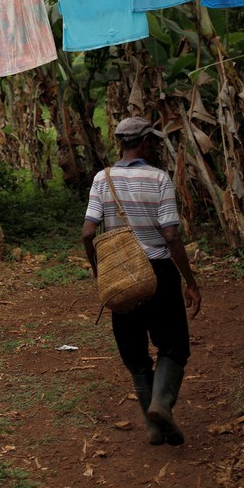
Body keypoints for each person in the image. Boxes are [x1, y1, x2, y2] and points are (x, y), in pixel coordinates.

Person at [81, 116, 202, 446]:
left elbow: (88, 232)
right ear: (145, 143)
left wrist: (100, 272)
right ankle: (161, 405)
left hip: (120, 273)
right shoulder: (159, 178)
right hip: (159, 272)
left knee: (134, 350)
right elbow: (171, 234)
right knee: (173, 344)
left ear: (121, 143)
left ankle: (152, 425)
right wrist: (190, 281)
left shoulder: (101, 179)